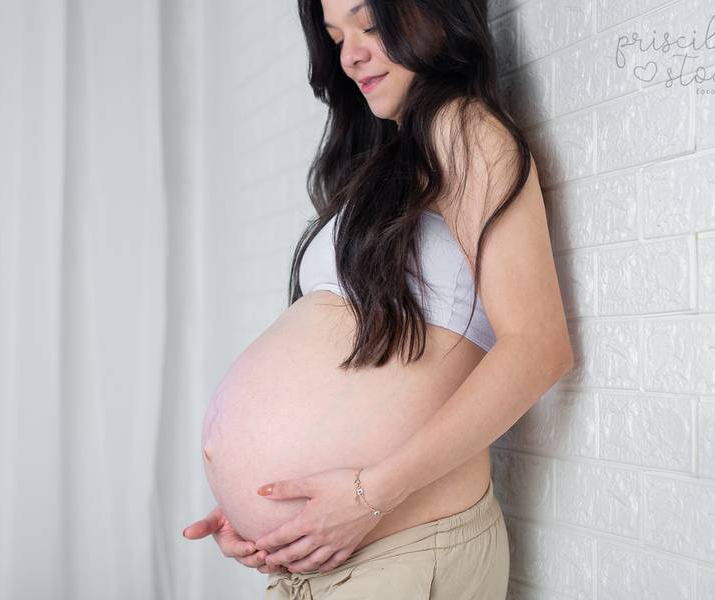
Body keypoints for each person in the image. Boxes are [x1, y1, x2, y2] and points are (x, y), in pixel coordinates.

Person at [183, 0, 574, 597]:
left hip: (404, 549)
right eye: (337, 36)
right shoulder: (387, 160)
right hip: (343, 558)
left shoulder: (461, 127)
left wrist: (369, 496)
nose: (351, 54)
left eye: (370, 25)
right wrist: (262, 512)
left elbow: (539, 348)